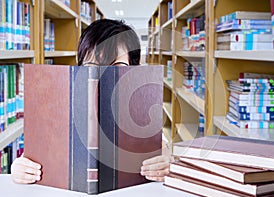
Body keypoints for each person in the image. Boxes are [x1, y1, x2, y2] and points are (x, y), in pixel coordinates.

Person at [11, 19, 171, 184]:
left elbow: (162, 149)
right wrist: (19, 168)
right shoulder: (58, 109)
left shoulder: (140, 109)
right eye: (91, 66)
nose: (102, 76)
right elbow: (29, 159)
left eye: (117, 67)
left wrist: (165, 162)